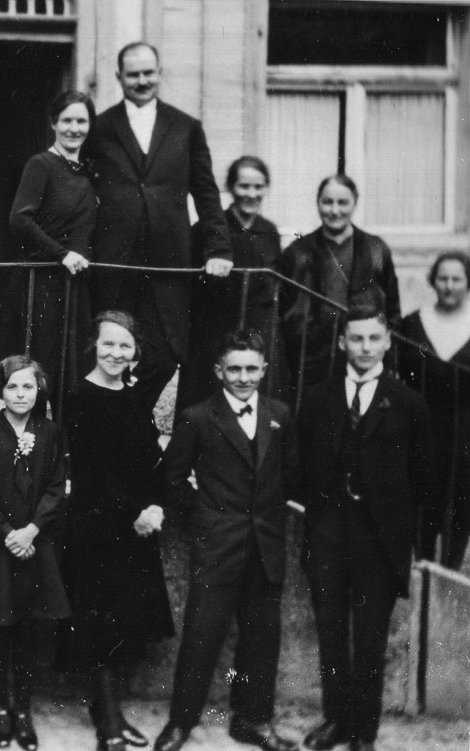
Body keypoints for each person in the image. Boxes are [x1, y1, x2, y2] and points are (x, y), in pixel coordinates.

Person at [298, 296, 437, 751]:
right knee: (332, 635)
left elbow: (423, 479)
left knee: (370, 641)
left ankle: (363, 731)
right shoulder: (318, 398)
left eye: (374, 338)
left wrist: (409, 543)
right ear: (342, 342)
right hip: (329, 535)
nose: (364, 346)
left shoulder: (408, 403)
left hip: (379, 541)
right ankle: (336, 720)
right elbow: (302, 468)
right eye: (355, 338)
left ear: (387, 342)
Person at [156, 330, 299, 751]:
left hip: (265, 545)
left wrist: (269, 515)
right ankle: (180, 723)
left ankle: (253, 721)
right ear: (219, 371)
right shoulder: (199, 417)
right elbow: (173, 480)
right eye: (234, 368)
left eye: (251, 368)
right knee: (202, 635)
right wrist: (206, 515)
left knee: (261, 639)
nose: (243, 377)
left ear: (264, 370)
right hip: (218, 544)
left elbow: (289, 474)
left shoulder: (279, 415)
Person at [84, 42, 232, 411]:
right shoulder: (99, 128)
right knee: (109, 349)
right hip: (116, 262)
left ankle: (129, 415)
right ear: (119, 78)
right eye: (133, 74)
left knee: (166, 353)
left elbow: (207, 193)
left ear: (160, 73)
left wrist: (218, 249)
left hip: (169, 262)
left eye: (148, 72)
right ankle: (117, 424)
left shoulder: (186, 127)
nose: (142, 80)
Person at [59, 310, 175, 751]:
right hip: (98, 524)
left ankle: (110, 710)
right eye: (108, 344)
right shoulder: (80, 397)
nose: (115, 353)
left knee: (124, 621)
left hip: (137, 526)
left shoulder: (134, 397)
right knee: (100, 625)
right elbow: (95, 474)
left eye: (125, 346)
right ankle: (108, 721)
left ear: (136, 353)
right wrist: (138, 511)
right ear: (93, 345)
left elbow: (149, 463)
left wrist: (158, 505)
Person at [0, 355, 70, 750]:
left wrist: (31, 530)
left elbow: (56, 486)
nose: (20, 394)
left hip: (35, 544)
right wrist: (8, 532)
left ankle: (24, 707)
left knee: (27, 625)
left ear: (38, 389)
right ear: (0, 391)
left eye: (28, 386)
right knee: (0, 624)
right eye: (12, 387)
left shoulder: (50, 432)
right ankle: (1, 706)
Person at [9, 90, 96, 421]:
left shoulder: (85, 170)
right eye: (68, 120)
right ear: (53, 123)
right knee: (43, 371)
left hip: (76, 285)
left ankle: (65, 452)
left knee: (72, 374)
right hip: (45, 283)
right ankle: (35, 449)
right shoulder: (41, 164)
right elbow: (20, 217)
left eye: (82, 121)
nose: (74, 128)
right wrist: (62, 254)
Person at [178, 156, 288, 410]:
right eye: (244, 186)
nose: (251, 194)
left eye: (258, 187)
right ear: (230, 187)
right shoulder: (210, 229)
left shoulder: (269, 231)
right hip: (215, 330)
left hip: (258, 330)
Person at [277, 175, 401, 392]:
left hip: (364, 357)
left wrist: (392, 359)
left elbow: (392, 311)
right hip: (312, 364)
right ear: (317, 203)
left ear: (355, 202)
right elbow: (284, 314)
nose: (335, 211)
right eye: (327, 202)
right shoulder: (297, 253)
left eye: (343, 202)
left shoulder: (376, 250)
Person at [398, 251, 470, 569]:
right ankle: (423, 567)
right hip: (422, 430)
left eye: (457, 279)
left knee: (461, 506)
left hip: (465, 434)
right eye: (443, 278)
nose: (449, 286)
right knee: (422, 503)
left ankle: (450, 577)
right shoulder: (412, 323)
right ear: (432, 281)